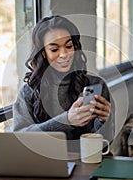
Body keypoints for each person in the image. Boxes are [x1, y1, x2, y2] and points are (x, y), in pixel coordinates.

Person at [13, 15, 114, 144]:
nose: (64, 54)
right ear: (43, 53)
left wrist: (104, 122)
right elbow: (19, 138)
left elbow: (105, 142)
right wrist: (66, 120)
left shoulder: (96, 85)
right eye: (54, 49)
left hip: (86, 161)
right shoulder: (29, 91)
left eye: (69, 46)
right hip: (45, 162)